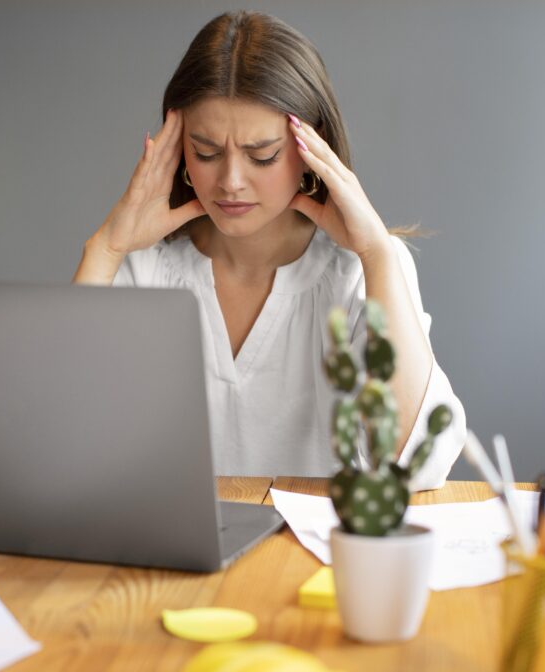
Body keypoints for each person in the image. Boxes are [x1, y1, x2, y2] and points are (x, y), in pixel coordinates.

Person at [73, 11, 465, 489]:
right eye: (206, 152)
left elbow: (418, 466)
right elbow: (60, 442)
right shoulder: (143, 271)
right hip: (169, 563)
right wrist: (105, 248)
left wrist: (379, 254)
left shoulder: (361, 273)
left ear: (310, 149)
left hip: (314, 563)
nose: (231, 182)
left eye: (263, 155)